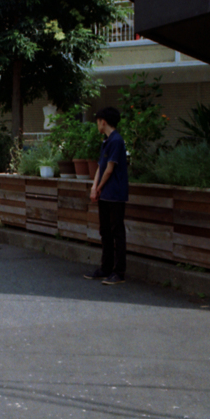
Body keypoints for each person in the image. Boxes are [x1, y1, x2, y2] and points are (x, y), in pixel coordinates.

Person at [86, 107, 129, 285]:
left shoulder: (117, 141)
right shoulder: (106, 141)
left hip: (115, 193)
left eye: (98, 121)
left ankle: (119, 272)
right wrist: (94, 187)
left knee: (117, 232)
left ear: (103, 121)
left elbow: (110, 169)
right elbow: (100, 166)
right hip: (104, 193)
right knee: (105, 231)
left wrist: (99, 187)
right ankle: (105, 268)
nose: (97, 124)